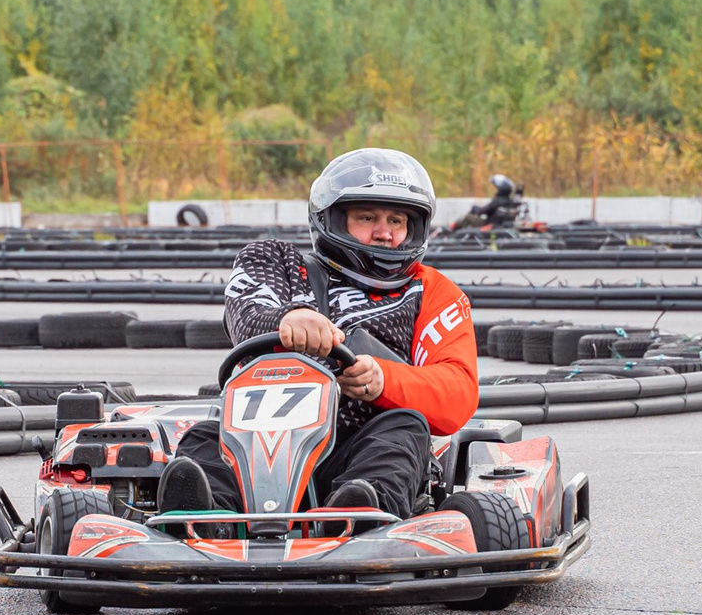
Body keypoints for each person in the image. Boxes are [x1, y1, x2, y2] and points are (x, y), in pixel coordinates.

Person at [158, 148, 477, 519]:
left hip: (357, 448)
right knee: (204, 437)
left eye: (397, 220)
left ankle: (359, 512)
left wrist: (382, 378)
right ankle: (207, 517)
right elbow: (245, 312)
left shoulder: (431, 292)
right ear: (333, 219)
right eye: (367, 217)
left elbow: (457, 394)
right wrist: (289, 318)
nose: (385, 233)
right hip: (257, 444)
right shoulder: (275, 262)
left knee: (404, 428)